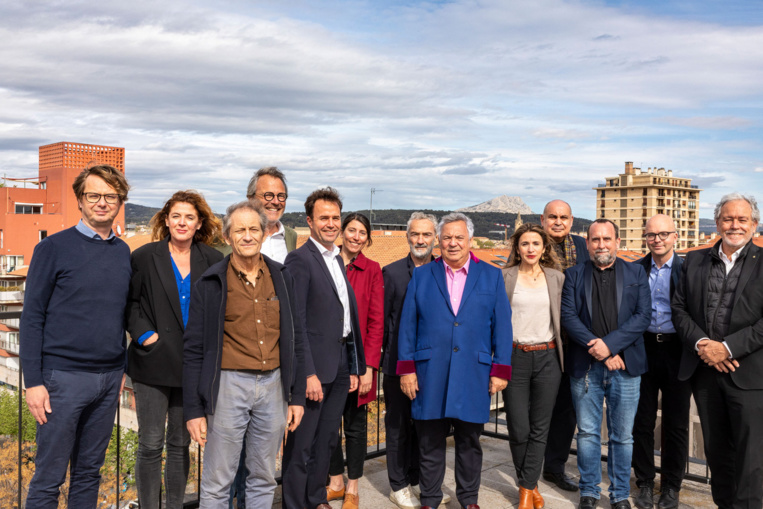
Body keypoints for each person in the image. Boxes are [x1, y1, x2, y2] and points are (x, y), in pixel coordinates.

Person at [20, 165, 132, 508]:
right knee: (48, 478)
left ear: (120, 201)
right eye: (93, 195)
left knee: (89, 473)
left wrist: (121, 372)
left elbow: (121, 315)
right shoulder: (52, 248)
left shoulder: (123, 252)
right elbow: (32, 317)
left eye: (110, 196)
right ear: (80, 200)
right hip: (61, 380)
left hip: (109, 378)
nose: (102, 203)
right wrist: (33, 382)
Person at [183, 201, 306, 508]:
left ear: (264, 233)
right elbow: (193, 350)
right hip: (228, 386)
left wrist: (297, 396)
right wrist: (194, 410)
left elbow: (297, 339)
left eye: (254, 229)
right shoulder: (210, 284)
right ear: (228, 237)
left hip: (273, 388)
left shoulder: (282, 277)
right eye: (240, 230)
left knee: (263, 477)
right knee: (216, 481)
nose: (248, 236)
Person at [397, 212, 513, 509]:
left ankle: (469, 500)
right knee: (429, 442)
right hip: (429, 372)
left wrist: (500, 370)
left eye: (459, 237)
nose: (452, 243)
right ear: (439, 240)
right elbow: (408, 325)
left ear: (470, 240)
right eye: (446, 237)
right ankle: (431, 499)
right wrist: (407, 369)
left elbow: (502, 325)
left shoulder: (491, 275)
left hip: (474, 372)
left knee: (469, 443)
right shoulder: (423, 276)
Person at [127, 190, 224, 509]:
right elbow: (131, 304)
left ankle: (174, 506)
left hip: (192, 367)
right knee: (151, 444)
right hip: (152, 364)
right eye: (176, 216)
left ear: (199, 224)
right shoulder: (144, 256)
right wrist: (145, 336)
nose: (182, 222)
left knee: (181, 443)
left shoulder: (212, 260)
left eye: (190, 217)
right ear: (166, 220)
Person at [672, 193, 763, 509]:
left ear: (754, 224)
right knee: (717, 453)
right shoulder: (695, 260)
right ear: (718, 221)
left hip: (748, 374)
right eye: (728, 218)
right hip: (704, 372)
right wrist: (703, 346)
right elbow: (679, 309)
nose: (734, 225)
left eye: (742, 219)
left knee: (751, 459)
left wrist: (727, 348)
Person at [281, 187, 366, 509]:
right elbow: (296, 323)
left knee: (328, 440)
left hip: (341, 363)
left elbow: (345, 317)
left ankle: (316, 498)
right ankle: (294, 503)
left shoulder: (336, 259)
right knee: (302, 443)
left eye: (335, 218)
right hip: (315, 367)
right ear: (310, 221)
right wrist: (308, 374)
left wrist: (355, 366)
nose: (331, 223)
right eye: (324, 218)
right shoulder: (300, 260)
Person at [561, 219, 651, 509]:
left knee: (622, 436)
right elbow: (569, 318)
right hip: (585, 367)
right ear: (587, 244)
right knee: (587, 433)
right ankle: (588, 491)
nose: (601, 245)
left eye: (607, 239)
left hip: (625, 366)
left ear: (617, 241)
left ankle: (620, 494)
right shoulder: (573, 274)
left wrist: (610, 346)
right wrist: (599, 350)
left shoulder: (636, 272)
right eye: (595, 240)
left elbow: (642, 317)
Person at [231, 166, 297, 509]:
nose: (274, 201)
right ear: (251, 198)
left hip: (275, 360)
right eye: (266, 195)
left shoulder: (290, 238)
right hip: (236, 361)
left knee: (261, 453)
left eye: (280, 196)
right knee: (230, 456)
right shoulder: (231, 238)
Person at [383, 212, 452, 509]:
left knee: (426, 428)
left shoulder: (444, 272)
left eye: (426, 235)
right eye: (415, 234)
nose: (420, 240)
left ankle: (420, 482)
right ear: (407, 237)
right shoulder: (393, 273)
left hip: (433, 366)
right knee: (398, 426)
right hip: (399, 364)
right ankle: (398, 486)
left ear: (435, 237)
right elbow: (384, 322)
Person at [501, 223, 564, 509]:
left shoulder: (556, 277)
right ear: (517, 247)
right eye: (524, 244)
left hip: (548, 357)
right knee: (518, 427)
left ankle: (525, 490)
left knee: (540, 428)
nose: (530, 249)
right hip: (515, 356)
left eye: (535, 244)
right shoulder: (504, 277)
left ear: (544, 248)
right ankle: (531, 484)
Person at [630, 215, 690, 509]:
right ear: (646, 238)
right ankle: (644, 481)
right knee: (641, 420)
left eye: (663, 234)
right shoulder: (635, 270)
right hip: (643, 350)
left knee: (676, 423)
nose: (657, 239)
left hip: (677, 352)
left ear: (675, 236)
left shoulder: (687, 269)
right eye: (652, 234)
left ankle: (671, 486)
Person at [327, 213, 384, 509]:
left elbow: (376, 322)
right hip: (329, 360)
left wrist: (368, 368)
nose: (356, 236)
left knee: (355, 425)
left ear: (367, 238)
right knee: (328, 425)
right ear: (342, 232)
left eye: (362, 232)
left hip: (359, 361)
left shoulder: (372, 269)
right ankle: (335, 481)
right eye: (352, 230)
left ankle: (353, 487)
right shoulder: (328, 263)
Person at [539, 199, 589, 492]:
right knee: (538, 406)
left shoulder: (583, 247)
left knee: (567, 409)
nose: (558, 222)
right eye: (553, 217)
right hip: (542, 338)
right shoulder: (531, 243)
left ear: (571, 220)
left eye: (564, 217)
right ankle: (531, 464)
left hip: (574, 341)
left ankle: (554, 467)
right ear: (543, 219)